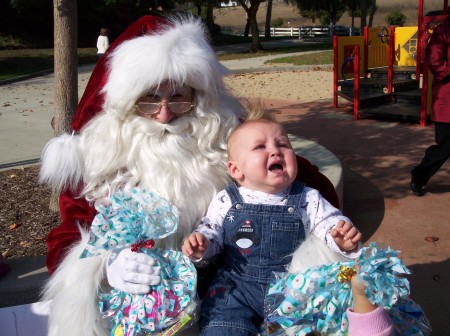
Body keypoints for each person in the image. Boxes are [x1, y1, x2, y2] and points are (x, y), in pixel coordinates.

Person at [38, 14, 340, 335]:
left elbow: (313, 186)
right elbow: (67, 238)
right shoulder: (101, 157)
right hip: (142, 309)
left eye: (179, 97)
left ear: (199, 98)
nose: (165, 115)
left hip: (233, 294)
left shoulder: (227, 138)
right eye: (149, 99)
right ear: (126, 103)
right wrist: (104, 266)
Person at [181, 107, 393, 335]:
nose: (275, 151)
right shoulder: (227, 200)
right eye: (260, 147)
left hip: (291, 288)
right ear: (236, 169)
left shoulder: (307, 197)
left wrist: (340, 239)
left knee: (301, 328)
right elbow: (212, 229)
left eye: (282, 144)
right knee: (222, 327)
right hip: (236, 287)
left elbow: (328, 222)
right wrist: (201, 243)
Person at [410, 15, 450, 196]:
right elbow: (435, 61)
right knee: (445, 146)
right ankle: (419, 175)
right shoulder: (443, 31)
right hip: (446, 100)